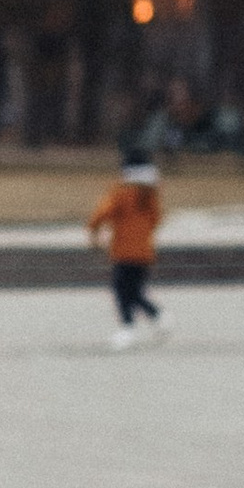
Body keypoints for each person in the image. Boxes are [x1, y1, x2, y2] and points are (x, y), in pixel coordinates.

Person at [89, 143, 164, 342]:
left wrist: (94, 230)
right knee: (134, 289)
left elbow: (102, 213)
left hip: (123, 250)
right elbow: (157, 219)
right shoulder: (150, 194)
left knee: (122, 289)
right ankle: (156, 316)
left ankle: (128, 326)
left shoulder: (121, 191)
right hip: (145, 251)